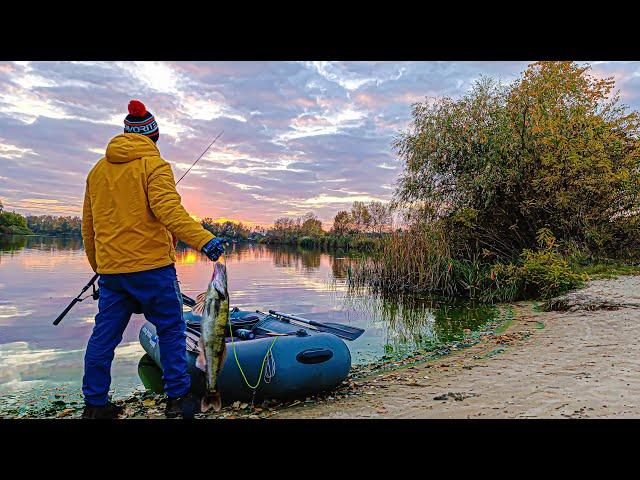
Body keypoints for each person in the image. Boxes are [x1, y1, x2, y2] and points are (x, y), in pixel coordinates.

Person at [81, 100, 226, 419]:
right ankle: (177, 400)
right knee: (171, 330)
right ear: (154, 137)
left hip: (112, 274)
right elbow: (169, 211)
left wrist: (99, 267)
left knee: (103, 337)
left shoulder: (97, 171)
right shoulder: (155, 166)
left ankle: (95, 405)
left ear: (125, 133)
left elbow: (88, 226)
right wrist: (205, 240)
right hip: (153, 270)